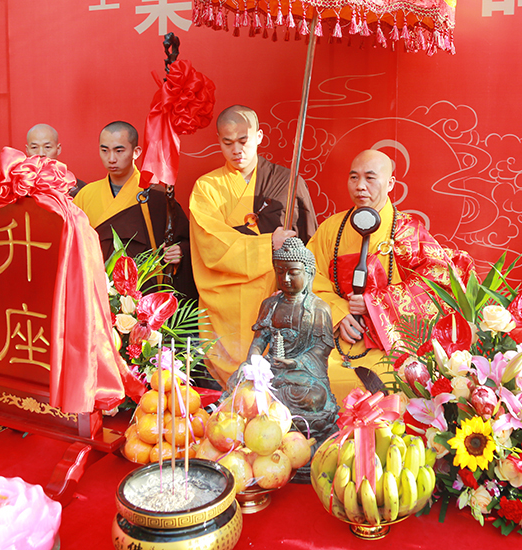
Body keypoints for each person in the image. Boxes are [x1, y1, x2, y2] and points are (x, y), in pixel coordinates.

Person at [307, 149, 475, 403]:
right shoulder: (332, 228)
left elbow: (437, 283)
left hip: (390, 345)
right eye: (354, 178)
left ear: (390, 183)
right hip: (336, 339)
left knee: (392, 382)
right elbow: (308, 276)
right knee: (305, 378)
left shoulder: (409, 232)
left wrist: (374, 304)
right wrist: (338, 311)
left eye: (370, 178)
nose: (360, 186)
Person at [189, 105, 318, 387]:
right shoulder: (206, 188)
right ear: (219, 142)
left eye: (244, 140)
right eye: (228, 142)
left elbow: (310, 245)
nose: (237, 149)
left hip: (274, 297)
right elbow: (212, 245)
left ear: (259, 136)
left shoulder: (288, 182)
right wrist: (268, 243)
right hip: (224, 304)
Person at [232, 237, 338, 450]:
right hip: (271, 371)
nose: (286, 278)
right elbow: (260, 340)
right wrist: (250, 365)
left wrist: (294, 363)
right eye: (280, 272)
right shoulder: (270, 305)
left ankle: (272, 417)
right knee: (237, 385)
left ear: (308, 273)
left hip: (303, 375)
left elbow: (321, 349)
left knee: (315, 398)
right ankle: (263, 419)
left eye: (293, 272)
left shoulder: (319, 308)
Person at [73, 121, 197, 301]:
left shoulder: (155, 195)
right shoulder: (85, 195)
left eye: (119, 150)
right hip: (97, 292)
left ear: (136, 152)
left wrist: (180, 250)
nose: (111, 158)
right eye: (104, 150)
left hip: (145, 295)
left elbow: (186, 240)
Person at [25, 123, 86, 196]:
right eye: (34, 147)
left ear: (58, 149)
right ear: (27, 150)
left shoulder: (76, 188)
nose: (41, 153)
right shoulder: (19, 187)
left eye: (47, 147)